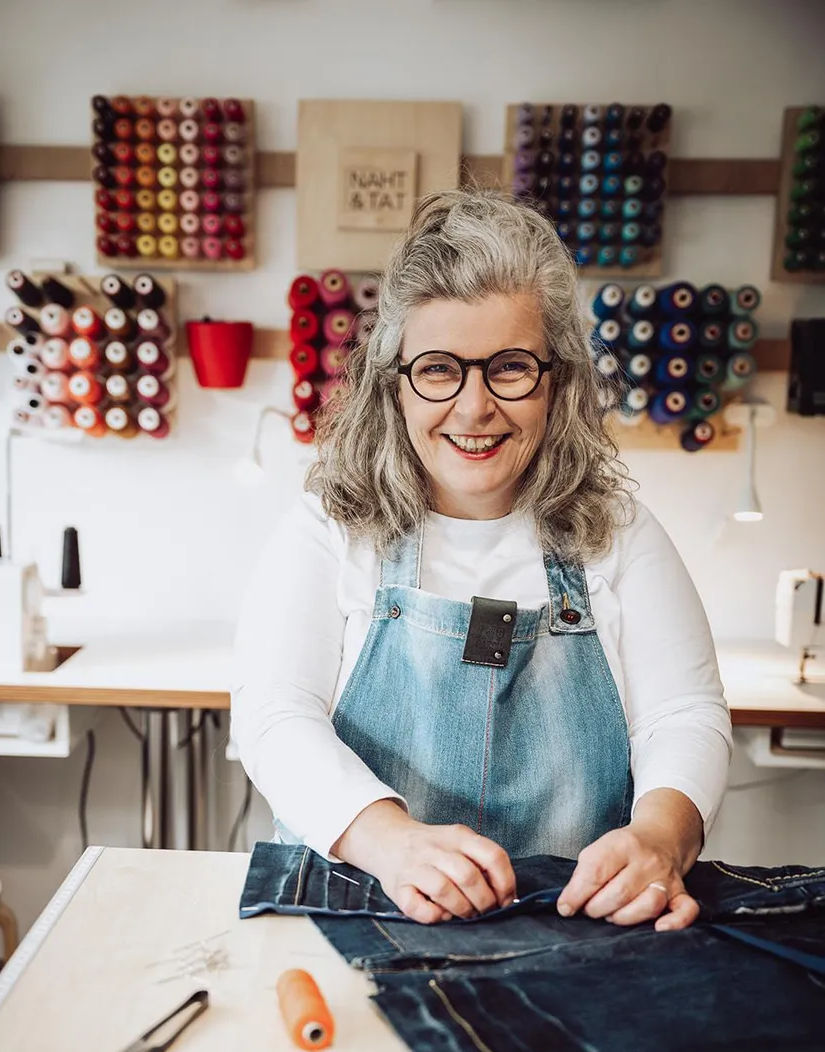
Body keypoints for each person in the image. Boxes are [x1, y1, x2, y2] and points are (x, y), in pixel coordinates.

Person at [231, 190, 732, 930]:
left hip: (577, 932)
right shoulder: (331, 528)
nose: (473, 408)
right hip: (362, 912)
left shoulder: (620, 532)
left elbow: (683, 713)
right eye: (439, 369)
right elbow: (274, 715)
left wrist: (661, 834)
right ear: (393, 382)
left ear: (555, 378)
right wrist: (391, 843)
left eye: (508, 367)